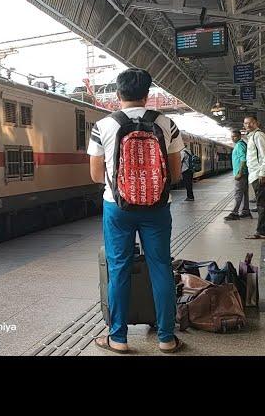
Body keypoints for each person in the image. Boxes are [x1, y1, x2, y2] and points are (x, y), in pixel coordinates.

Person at [88, 68, 185, 354]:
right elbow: (176, 173)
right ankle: (166, 338)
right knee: (160, 267)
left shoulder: (103, 125)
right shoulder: (166, 123)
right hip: (157, 208)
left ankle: (117, 337)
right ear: (147, 94)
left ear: (118, 95)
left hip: (117, 207)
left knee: (119, 269)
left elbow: (95, 176)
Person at [244, 116, 265, 238]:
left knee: (261, 204)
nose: (248, 125)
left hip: (259, 175)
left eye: (251, 122)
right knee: (261, 203)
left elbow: (264, 155)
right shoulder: (251, 136)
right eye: (246, 123)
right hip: (255, 175)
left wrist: (262, 173)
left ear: (256, 123)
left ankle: (261, 232)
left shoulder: (258, 135)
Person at [224, 129, 251, 221]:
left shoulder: (239, 145)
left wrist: (240, 173)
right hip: (244, 173)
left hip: (241, 174)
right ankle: (245, 211)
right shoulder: (242, 144)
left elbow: (243, 160)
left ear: (239, 136)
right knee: (244, 193)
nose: (232, 138)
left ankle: (234, 213)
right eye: (231, 136)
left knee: (238, 193)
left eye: (234, 136)